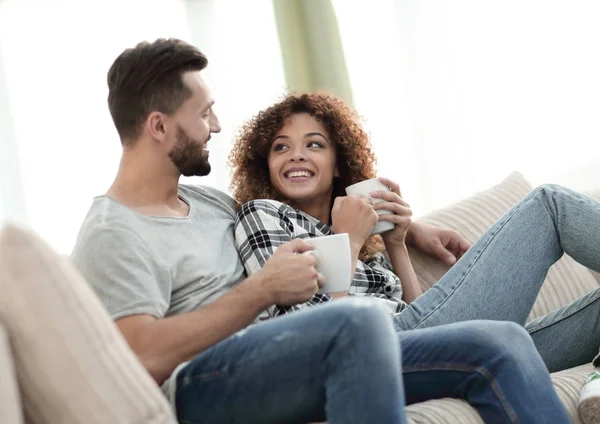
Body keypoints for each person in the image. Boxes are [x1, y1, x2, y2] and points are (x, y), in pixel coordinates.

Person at [69, 38, 570, 424]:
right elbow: (140, 354)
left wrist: (410, 229)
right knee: (357, 321)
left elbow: (301, 220)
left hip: (286, 352)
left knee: (498, 343)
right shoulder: (113, 232)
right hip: (207, 382)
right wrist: (258, 291)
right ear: (158, 127)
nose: (216, 126)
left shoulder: (204, 201)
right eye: (203, 113)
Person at [229, 91, 600, 423]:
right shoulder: (264, 214)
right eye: (281, 147)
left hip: (413, 344)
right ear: (266, 165)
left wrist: (396, 243)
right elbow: (315, 335)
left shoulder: (357, 231)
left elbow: (416, 317)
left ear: (338, 163)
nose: (296, 154)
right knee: (549, 207)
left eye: (314, 145)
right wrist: (349, 239)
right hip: (364, 348)